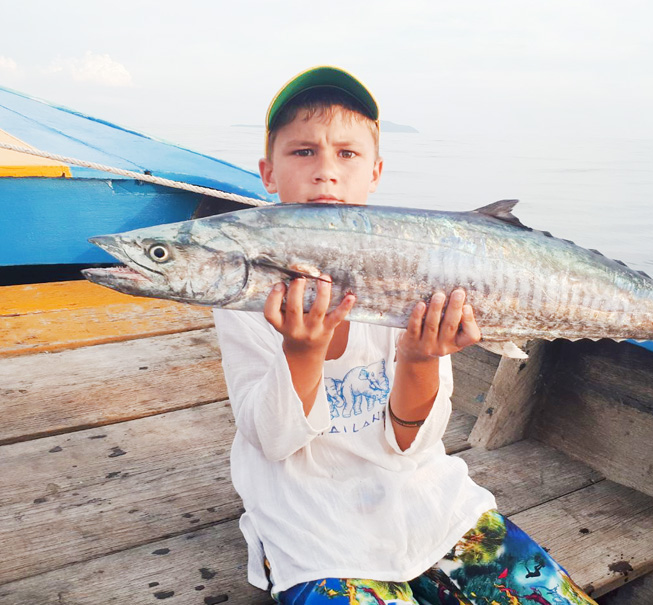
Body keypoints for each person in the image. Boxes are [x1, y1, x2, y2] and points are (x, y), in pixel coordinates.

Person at [212, 66, 597, 605]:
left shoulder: (411, 264)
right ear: (268, 172)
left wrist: (419, 358)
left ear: (375, 172)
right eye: (303, 152)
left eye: (347, 154)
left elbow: (412, 440)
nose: (326, 172)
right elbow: (274, 441)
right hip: (313, 530)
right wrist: (302, 352)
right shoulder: (251, 291)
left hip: (431, 508)